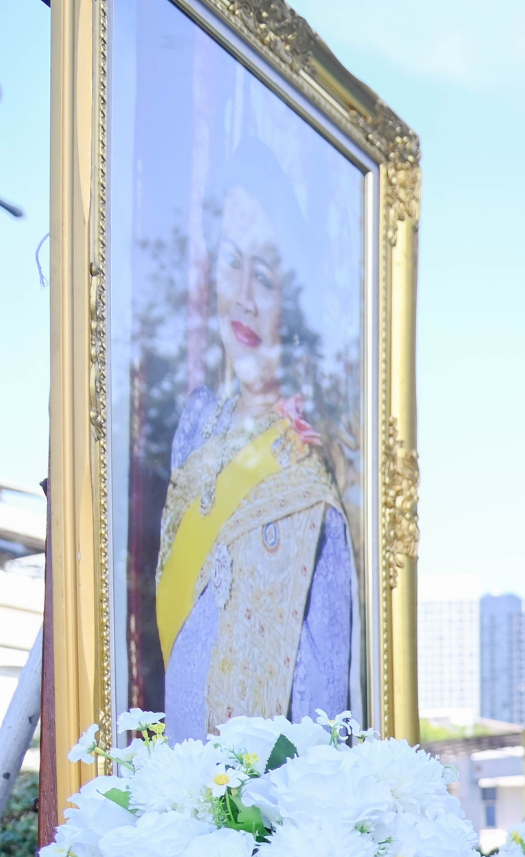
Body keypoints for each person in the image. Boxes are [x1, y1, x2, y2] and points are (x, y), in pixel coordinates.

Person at [157, 141, 357, 739]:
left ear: (290, 303)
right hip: (179, 777)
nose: (243, 294)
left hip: (260, 786)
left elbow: (323, 693)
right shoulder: (196, 423)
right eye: (231, 263)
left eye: (265, 277)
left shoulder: (311, 460)